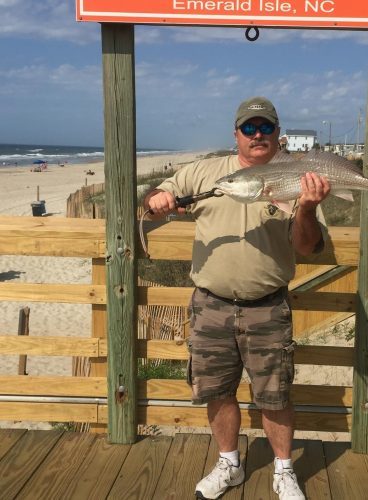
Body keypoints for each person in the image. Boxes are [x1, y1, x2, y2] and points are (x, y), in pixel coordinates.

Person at [145, 96, 330, 500]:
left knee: (275, 394)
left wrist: (306, 210)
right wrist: (157, 198)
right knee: (216, 390)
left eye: (266, 127)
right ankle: (230, 463)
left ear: (278, 134)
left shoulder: (300, 176)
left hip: (268, 305)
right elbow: (161, 193)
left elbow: (306, 246)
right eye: (250, 128)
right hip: (210, 305)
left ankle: (283, 470)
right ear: (236, 135)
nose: (258, 134)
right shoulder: (207, 172)